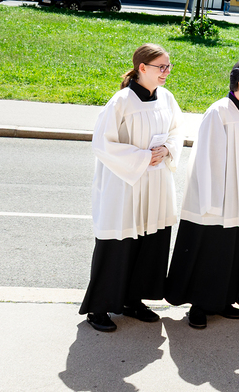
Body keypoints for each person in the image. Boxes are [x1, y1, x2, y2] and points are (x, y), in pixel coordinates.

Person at [80, 44, 184, 332]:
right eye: (161, 66)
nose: (166, 71)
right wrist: (141, 157)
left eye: (168, 66)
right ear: (142, 68)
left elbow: (177, 130)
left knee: (149, 243)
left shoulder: (166, 98)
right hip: (125, 184)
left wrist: (168, 149)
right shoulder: (122, 101)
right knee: (118, 244)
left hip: (156, 183)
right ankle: (98, 308)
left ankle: (132, 300)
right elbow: (102, 143)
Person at [165, 56, 239, 329]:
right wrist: (212, 199)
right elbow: (207, 159)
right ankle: (199, 305)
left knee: (236, 247)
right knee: (211, 249)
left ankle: (225, 300)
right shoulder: (219, 112)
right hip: (219, 196)